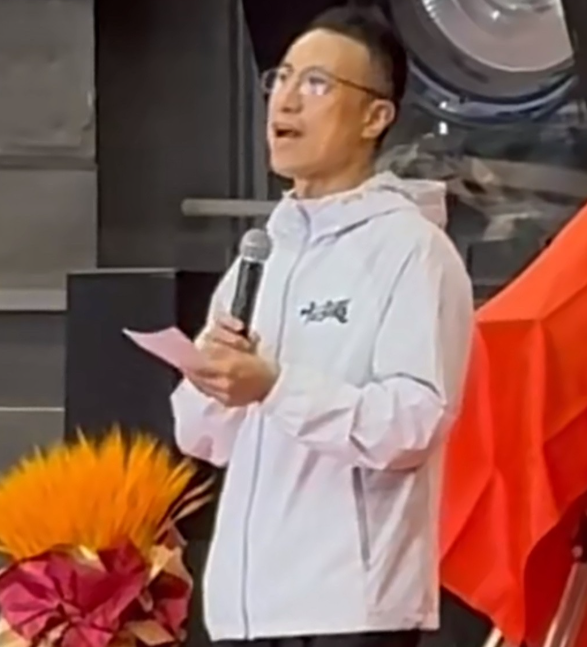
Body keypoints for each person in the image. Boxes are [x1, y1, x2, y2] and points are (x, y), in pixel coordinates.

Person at [172, 6, 474, 647]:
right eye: (280, 79)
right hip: (244, 610)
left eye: (316, 84)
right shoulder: (262, 253)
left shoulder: (412, 250)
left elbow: (414, 423)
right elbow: (202, 439)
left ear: (375, 117)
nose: (285, 101)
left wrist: (275, 386)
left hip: (349, 612)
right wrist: (209, 381)